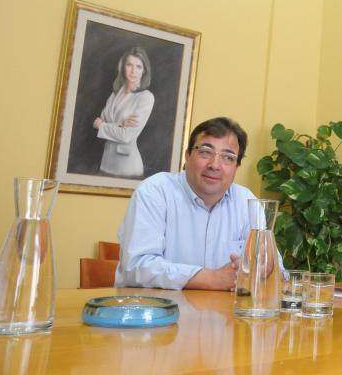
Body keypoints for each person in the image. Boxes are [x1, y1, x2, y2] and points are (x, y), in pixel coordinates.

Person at [115, 117, 283, 290]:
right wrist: (215, 279)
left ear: (236, 167)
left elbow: (277, 270)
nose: (215, 165)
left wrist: (266, 268)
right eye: (205, 152)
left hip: (223, 315)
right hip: (155, 312)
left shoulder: (246, 201)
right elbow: (137, 266)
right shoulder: (155, 191)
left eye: (228, 157)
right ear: (187, 156)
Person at [93, 46, 155, 177]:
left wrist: (102, 126)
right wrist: (121, 123)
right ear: (123, 67)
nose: (133, 71)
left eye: (138, 66)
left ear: (144, 70)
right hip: (106, 162)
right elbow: (97, 123)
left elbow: (126, 136)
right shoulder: (116, 93)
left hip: (126, 166)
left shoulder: (145, 97)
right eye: (129, 65)